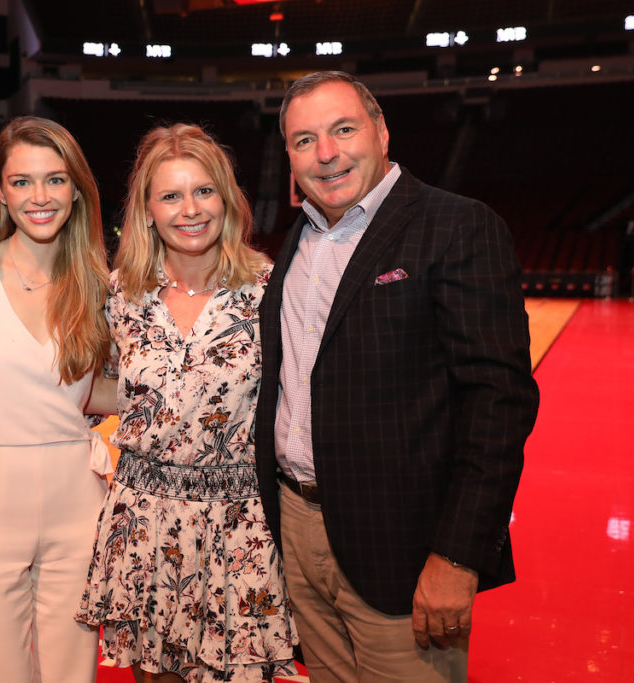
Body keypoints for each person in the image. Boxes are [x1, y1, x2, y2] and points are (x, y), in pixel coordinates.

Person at [254, 70, 540, 682]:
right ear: (289, 156)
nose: (326, 153)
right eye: (304, 140)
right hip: (297, 530)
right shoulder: (296, 242)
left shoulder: (458, 226)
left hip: (404, 545)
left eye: (343, 129)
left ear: (382, 131)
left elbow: (499, 401)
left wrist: (458, 555)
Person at [76, 123, 298, 683]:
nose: (190, 209)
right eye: (170, 195)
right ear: (147, 209)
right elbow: (94, 389)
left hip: (239, 526)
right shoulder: (119, 294)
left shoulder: (271, 290)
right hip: (144, 523)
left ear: (227, 198)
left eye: (204, 191)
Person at [0, 116, 112, 683]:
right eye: (21, 182)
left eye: (55, 180)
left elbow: (95, 391)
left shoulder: (98, 282)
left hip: (77, 493)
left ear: (76, 189)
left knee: (72, 669)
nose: (40, 197)